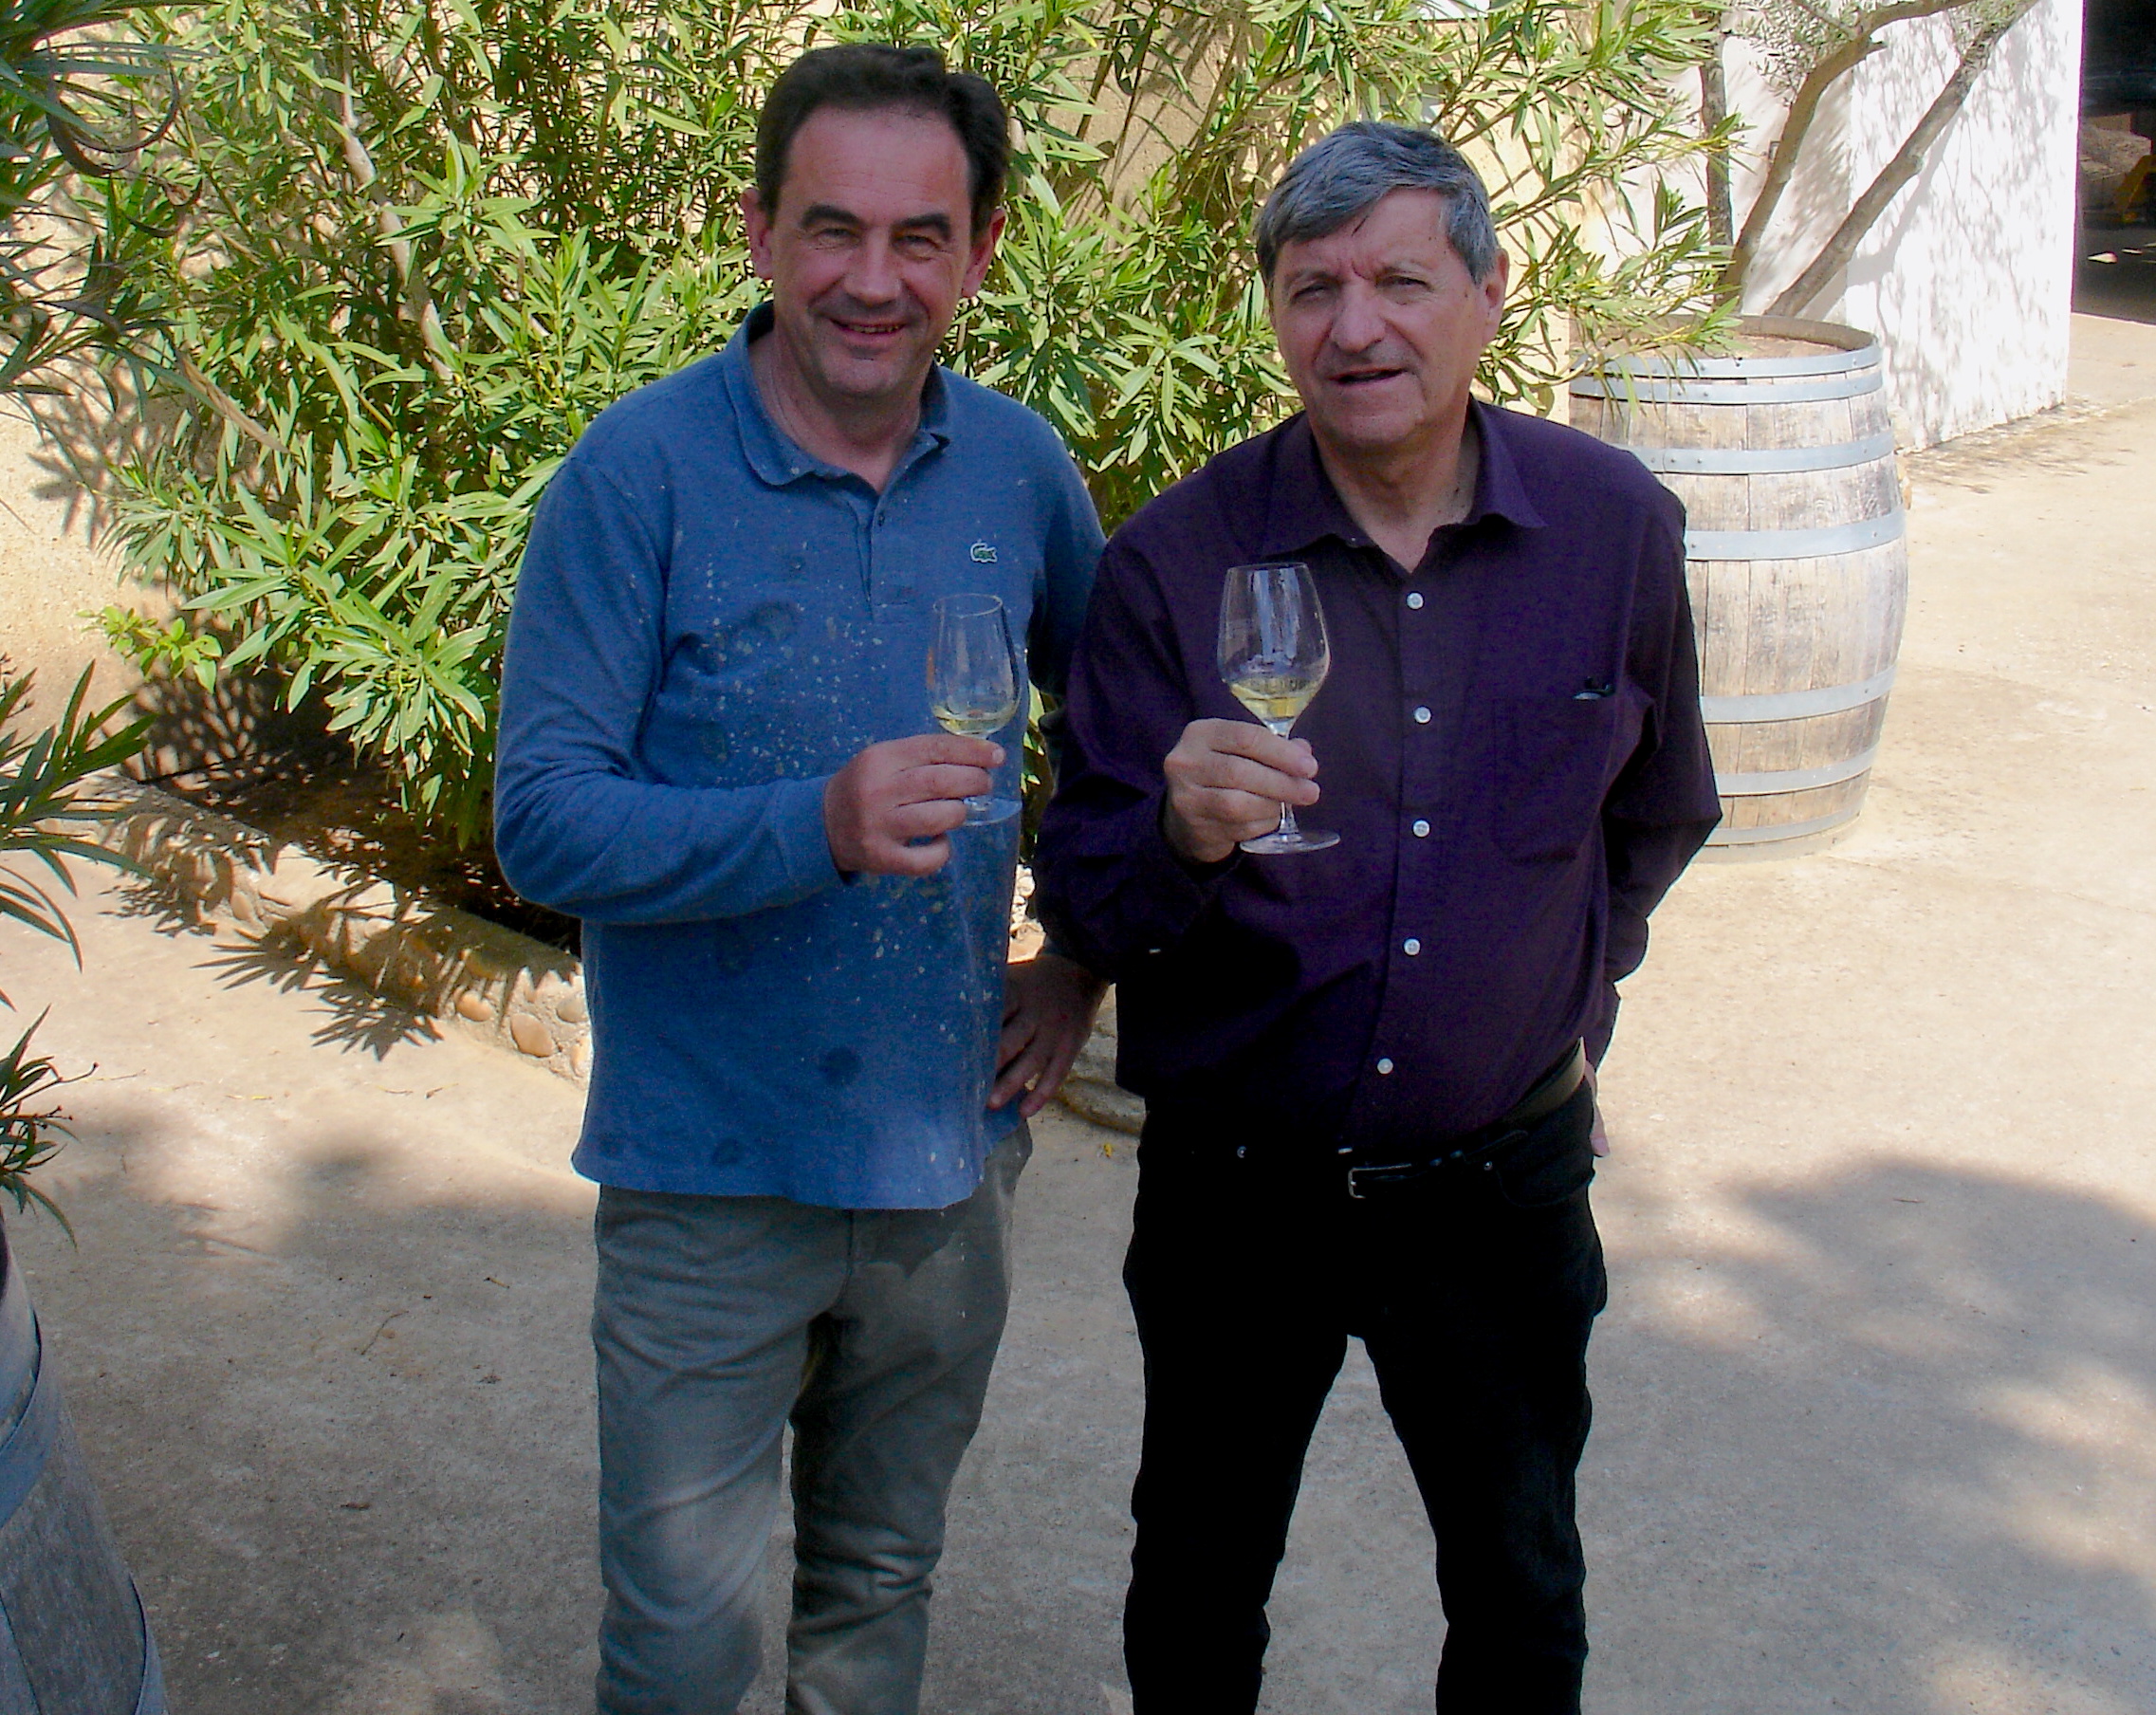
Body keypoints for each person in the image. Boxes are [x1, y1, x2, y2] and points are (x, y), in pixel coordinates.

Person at [1034, 120, 1722, 1714]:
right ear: (1274, 314)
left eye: (1401, 283)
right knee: (1197, 1578)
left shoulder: (1611, 527)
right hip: (1237, 1198)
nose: (1355, 329)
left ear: (1487, 292)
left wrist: (1567, 1000)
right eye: (1311, 288)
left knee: (1519, 1584)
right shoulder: (1173, 563)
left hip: (1499, 1188)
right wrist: (1177, 836)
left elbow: (1657, 808)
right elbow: (1087, 898)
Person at [492, 44, 1105, 1715]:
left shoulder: (1019, 472)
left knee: (876, 1592)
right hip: (706, 1179)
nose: (872, 280)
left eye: (921, 238)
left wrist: (1077, 962)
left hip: (944, 1170)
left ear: (980, 253)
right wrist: (812, 825)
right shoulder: (637, 473)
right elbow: (541, 821)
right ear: (761, 232)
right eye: (833, 229)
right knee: (680, 1647)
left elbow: (1114, 741)